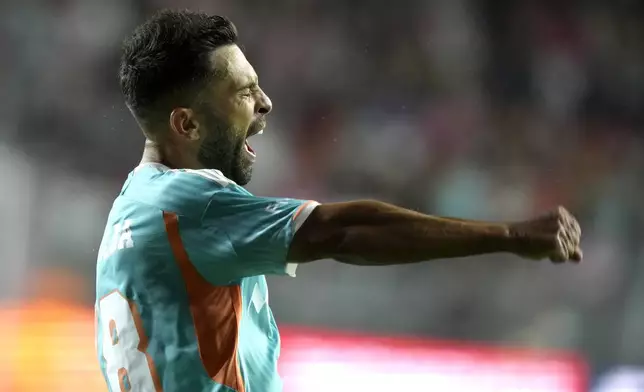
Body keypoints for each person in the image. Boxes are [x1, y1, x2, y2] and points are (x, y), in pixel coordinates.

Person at [95, 9, 583, 392]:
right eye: (243, 92)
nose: (265, 103)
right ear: (187, 124)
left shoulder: (130, 210)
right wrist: (510, 235)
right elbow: (343, 231)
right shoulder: (190, 202)